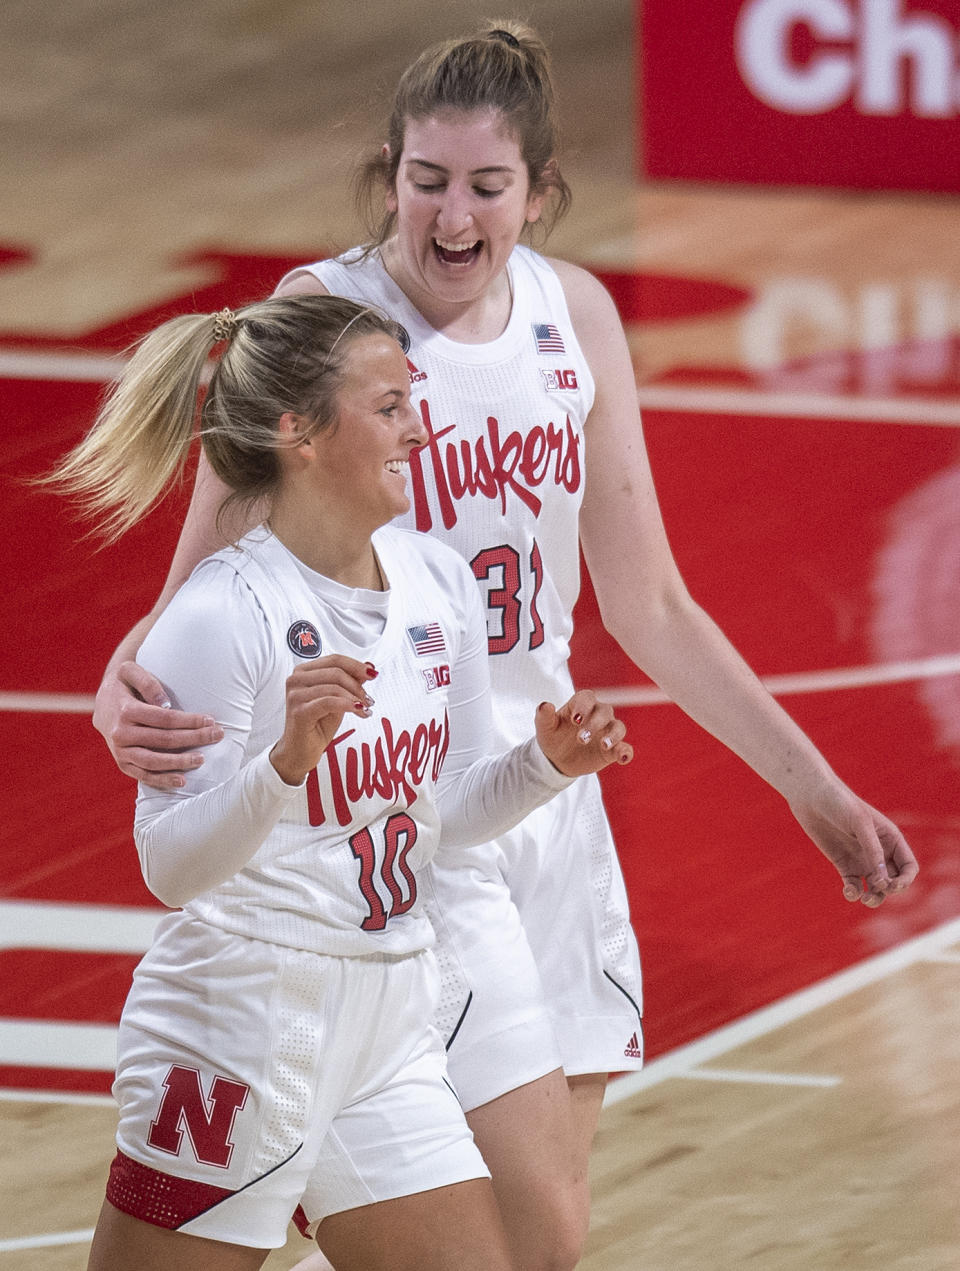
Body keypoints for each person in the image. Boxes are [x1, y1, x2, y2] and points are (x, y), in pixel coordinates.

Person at [90, 21, 919, 1271]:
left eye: (487, 185)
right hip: (390, 815)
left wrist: (816, 788)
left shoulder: (573, 315)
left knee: (535, 1236)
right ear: (390, 174)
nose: (455, 215)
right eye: (427, 180)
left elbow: (653, 601)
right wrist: (128, 678)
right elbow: (211, 568)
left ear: (539, 191)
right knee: (513, 1225)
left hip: (535, 794)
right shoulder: (324, 316)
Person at [48, 292, 634, 1271]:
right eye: (390, 405)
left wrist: (544, 766)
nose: (421, 426)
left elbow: (440, 816)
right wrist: (282, 764)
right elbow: (169, 868)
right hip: (239, 1020)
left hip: (388, 1014)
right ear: (299, 432)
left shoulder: (438, 586)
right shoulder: (219, 615)